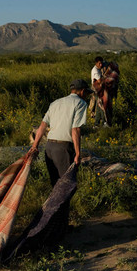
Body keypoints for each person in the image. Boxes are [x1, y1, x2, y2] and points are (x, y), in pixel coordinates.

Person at [29, 79, 91, 241]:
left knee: (56, 186)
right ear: (82, 91)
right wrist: (78, 153)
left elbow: (42, 125)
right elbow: (75, 130)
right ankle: (58, 229)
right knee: (65, 188)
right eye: (86, 93)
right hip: (64, 148)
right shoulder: (80, 104)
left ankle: (56, 225)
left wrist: (35, 146)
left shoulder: (56, 103)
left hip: (49, 147)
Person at [90, 56, 106, 126]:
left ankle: (97, 124)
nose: (101, 65)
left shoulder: (98, 69)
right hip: (96, 90)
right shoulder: (95, 71)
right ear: (96, 63)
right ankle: (104, 122)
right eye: (99, 63)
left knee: (99, 106)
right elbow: (100, 81)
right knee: (101, 106)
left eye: (101, 63)